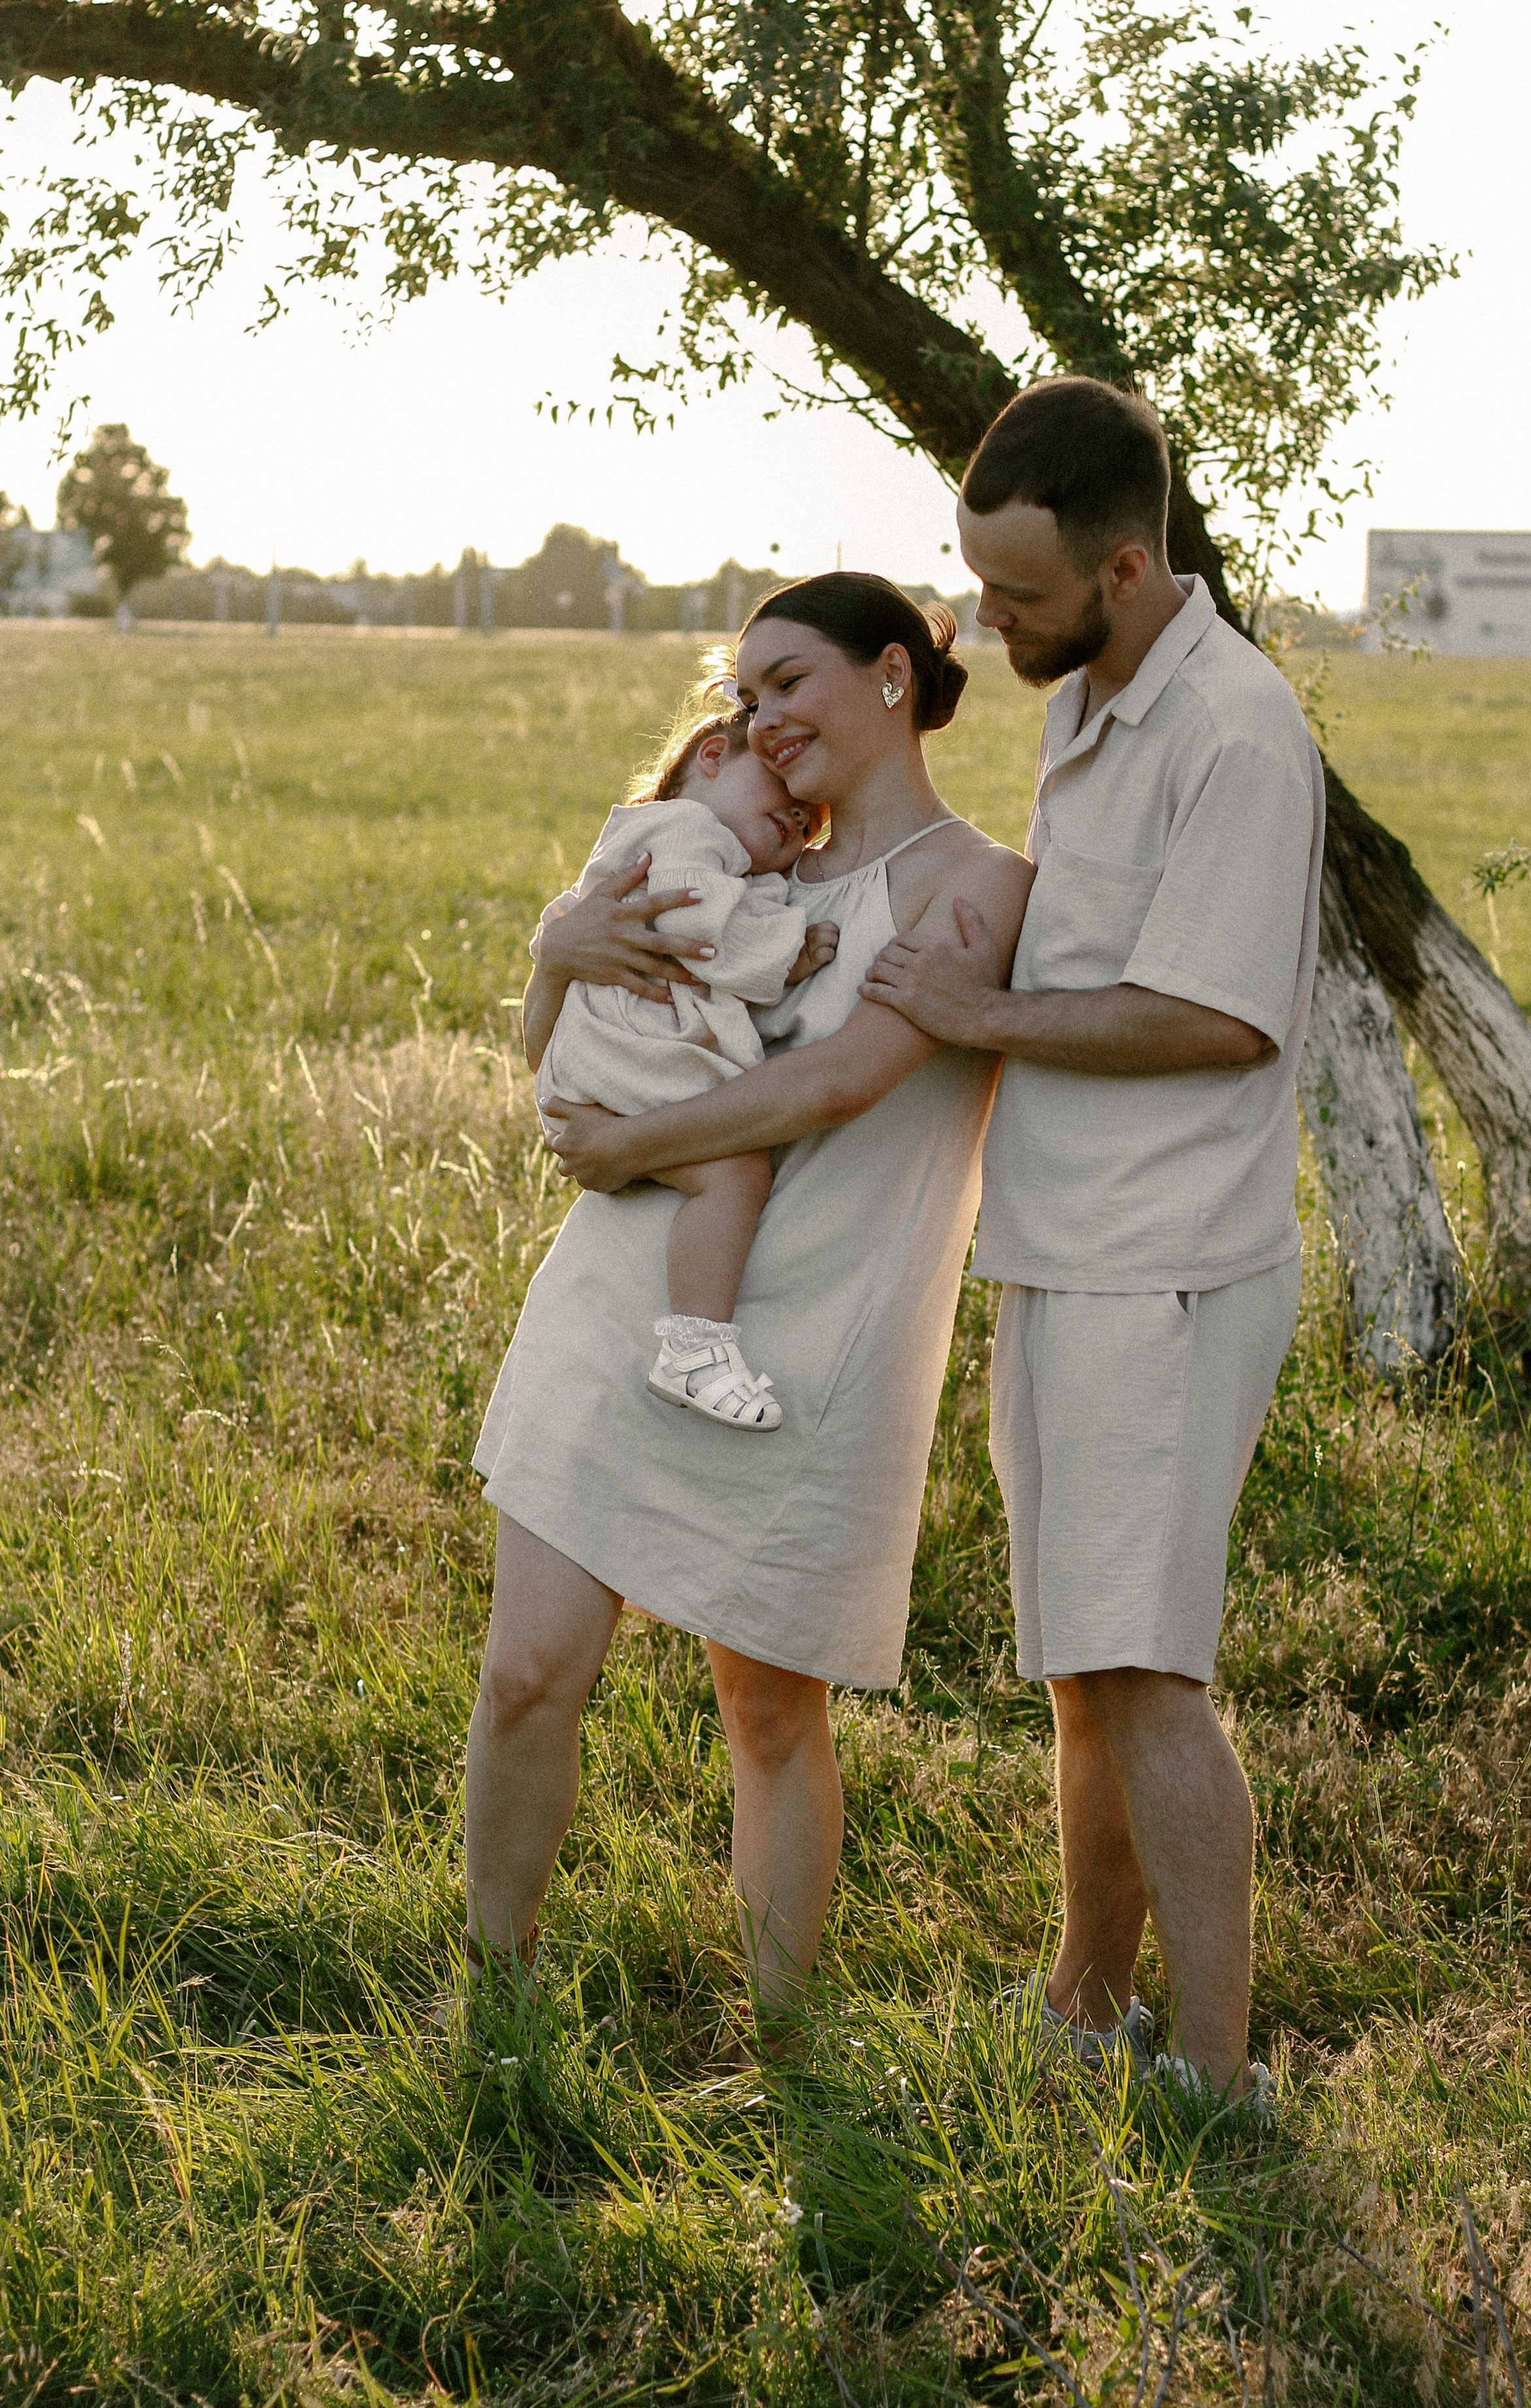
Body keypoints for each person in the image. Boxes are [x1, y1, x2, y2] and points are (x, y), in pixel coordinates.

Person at [467, 573, 1034, 2017]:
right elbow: (561, 1051)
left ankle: (781, 2050)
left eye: (790, 682)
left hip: (810, 1330)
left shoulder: (976, 886)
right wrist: (553, 943)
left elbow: (837, 1081)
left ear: (892, 677)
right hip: (626, 1292)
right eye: (748, 693)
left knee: (769, 1709)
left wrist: (630, 1146)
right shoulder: (741, 860)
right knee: (528, 1669)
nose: (759, 717)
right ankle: (495, 1999)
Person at [862, 377, 1326, 2116]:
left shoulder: (1237, 731)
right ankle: (1086, 2000)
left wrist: (986, 1011)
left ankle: (1218, 2078)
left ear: (1126, 567)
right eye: (979, 585)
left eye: (1021, 597)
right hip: (1059, 1250)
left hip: (1169, 1269)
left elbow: (1213, 1021)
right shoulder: (1088, 699)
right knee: (1081, 1664)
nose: (990, 623)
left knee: (1149, 1672)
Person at [533, 687, 835, 1432]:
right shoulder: (685, 833)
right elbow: (702, 934)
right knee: (734, 1171)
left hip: (613, 1052)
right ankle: (695, 1350)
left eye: (810, 824)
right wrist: (787, 953)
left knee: (728, 1163)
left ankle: (695, 1346)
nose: (800, 816)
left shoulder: (703, 848)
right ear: (710, 758)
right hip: (620, 1052)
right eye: (785, 793)